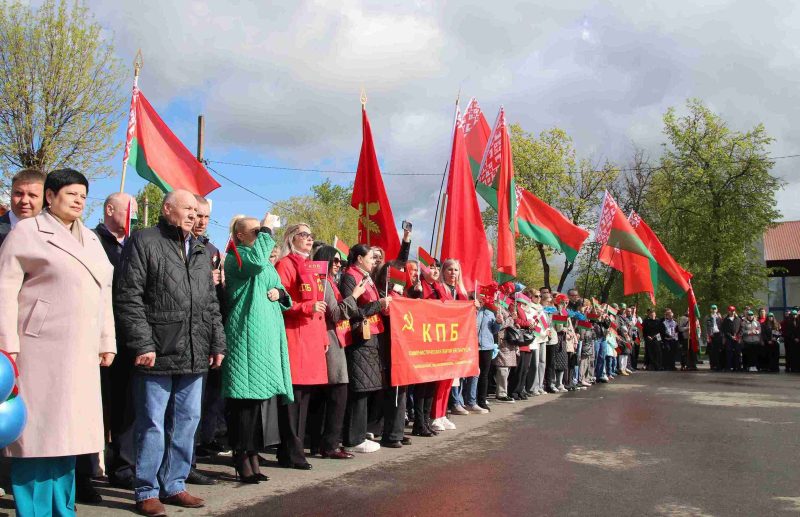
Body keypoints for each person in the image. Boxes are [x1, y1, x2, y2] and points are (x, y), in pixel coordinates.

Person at [0, 168, 115, 516]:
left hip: (81, 349)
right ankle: (33, 511)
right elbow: (5, 289)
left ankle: (63, 509)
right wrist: (7, 344)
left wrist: (106, 340)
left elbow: (103, 291)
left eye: (83, 195)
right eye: (71, 194)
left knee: (69, 436)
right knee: (38, 437)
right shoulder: (27, 232)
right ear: (50, 196)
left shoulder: (90, 239)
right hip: (38, 348)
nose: (79, 201)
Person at [115, 189, 226, 516]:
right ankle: (146, 490)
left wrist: (217, 343)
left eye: (196, 210)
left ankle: (174, 484)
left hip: (195, 350)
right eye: (187, 208)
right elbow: (129, 296)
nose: (193, 214)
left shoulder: (201, 249)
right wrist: (142, 343)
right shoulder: (144, 240)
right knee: (152, 423)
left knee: (187, 421)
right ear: (166, 209)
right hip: (157, 350)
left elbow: (210, 302)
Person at [223, 214, 293, 483]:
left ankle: (252, 453)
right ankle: (241, 455)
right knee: (244, 402)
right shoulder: (237, 257)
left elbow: (280, 287)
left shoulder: (262, 259)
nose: (261, 234)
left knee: (257, 402)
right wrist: (267, 230)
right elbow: (253, 265)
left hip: (265, 336)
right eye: (255, 231)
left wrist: (281, 294)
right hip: (246, 334)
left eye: (260, 230)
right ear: (240, 236)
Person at [274, 223, 329, 469]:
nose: (309, 239)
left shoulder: (312, 267)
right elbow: (281, 301)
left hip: (312, 336)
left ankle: (291, 450)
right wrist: (306, 307)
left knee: (304, 397)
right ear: (291, 238)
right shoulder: (285, 264)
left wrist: (323, 337)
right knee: (293, 396)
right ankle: (292, 451)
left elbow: (320, 304)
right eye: (303, 235)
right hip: (296, 336)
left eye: (310, 235)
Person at [94, 192, 138, 495]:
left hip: (127, 334)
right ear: (110, 209)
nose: (132, 216)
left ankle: (123, 467)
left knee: (126, 405)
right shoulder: (92, 240)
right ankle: (87, 470)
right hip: (96, 334)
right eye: (127, 210)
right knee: (96, 404)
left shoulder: (135, 244)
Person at [308, 245, 366, 459]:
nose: (338, 264)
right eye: (334, 261)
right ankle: (330, 444)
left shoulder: (329, 282)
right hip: (330, 341)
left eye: (340, 261)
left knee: (325, 396)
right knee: (337, 394)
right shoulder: (324, 282)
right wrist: (354, 296)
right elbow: (335, 313)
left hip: (334, 339)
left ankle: (318, 443)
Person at [340, 244, 391, 453]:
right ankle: (354, 438)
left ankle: (360, 433)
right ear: (360, 259)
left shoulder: (366, 277)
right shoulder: (350, 277)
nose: (374, 261)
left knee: (367, 387)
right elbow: (351, 310)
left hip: (372, 335)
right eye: (371, 257)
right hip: (359, 337)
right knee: (359, 389)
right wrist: (379, 305)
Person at [192, 197, 229, 471]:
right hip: (184, 333)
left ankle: (205, 438)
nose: (202, 221)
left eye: (206, 216)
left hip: (209, 328)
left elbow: (216, 301)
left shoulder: (212, 250)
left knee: (210, 392)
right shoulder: (176, 245)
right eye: (198, 215)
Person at [0, 168, 45, 247]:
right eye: (19, 193)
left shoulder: (57, 230)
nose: (24, 201)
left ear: (45, 198)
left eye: (32, 195)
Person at [721, 305, 743, 372]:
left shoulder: (738, 319)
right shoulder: (725, 320)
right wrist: (731, 336)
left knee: (737, 353)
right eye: (731, 311)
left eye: (733, 310)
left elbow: (741, 329)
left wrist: (738, 336)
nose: (732, 312)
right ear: (728, 311)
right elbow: (724, 330)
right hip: (729, 339)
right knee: (729, 353)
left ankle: (737, 367)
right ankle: (728, 367)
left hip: (737, 339)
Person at [706, 305, 724, 371]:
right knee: (711, 351)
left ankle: (718, 365)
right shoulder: (708, 317)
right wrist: (707, 336)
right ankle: (712, 365)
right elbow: (706, 327)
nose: (714, 310)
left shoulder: (719, 317)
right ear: (710, 309)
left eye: (715, 309)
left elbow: (722, 326)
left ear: (717, 309)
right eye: (712, 309)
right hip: (711, 335)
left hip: (718, 335)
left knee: (718, 351)